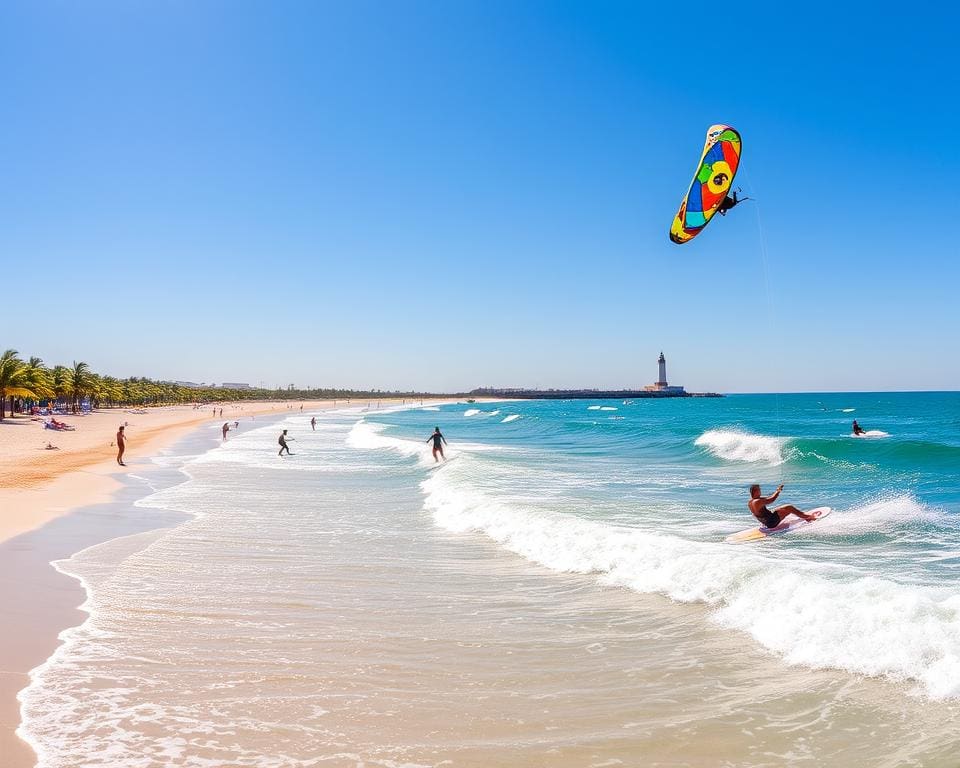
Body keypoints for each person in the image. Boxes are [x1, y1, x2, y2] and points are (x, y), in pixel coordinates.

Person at [748, 484, 816, 528]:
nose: (760, 491)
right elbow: (772, 499)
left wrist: (777, 491)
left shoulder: (750, 502)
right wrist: (778, 491)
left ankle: (801, 515)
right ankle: (807, 517)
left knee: (779, 509)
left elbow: (769, 497)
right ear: (756, 491)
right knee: (788, 507)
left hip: (767, 522)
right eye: (759, 490)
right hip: (772, 522)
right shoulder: (757, 501)